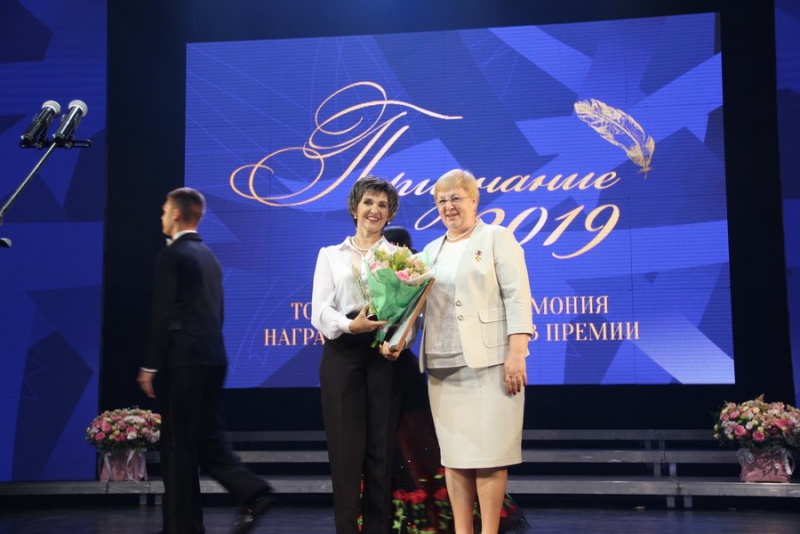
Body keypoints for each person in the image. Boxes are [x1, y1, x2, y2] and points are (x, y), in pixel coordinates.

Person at [386, 169, 532, 534]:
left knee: (490, 456)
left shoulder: (497, 238)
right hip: (443, 368)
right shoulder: (430, 252)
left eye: (456, 198)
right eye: (442, 201)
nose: (449, 206)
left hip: (490, 365)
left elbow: (518, 298)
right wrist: (398, 340)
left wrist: (517, 353)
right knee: (454, 459)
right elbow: (416, 309)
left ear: (474, 200)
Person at [137, 187, 273, 534]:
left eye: (164, 210)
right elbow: (218, 313)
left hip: (184, 360)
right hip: (212, 358)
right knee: (204, 438)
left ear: (177, 214)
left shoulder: (173, 255)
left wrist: (149, 364)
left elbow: (162, 312)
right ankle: (247, 493)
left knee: (179, 447)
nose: (161, 216)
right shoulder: (209, 256)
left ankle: (188, 524)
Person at [311, 176, 407, 534]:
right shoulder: (330, 255)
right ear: (355, 208)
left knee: (381, 455)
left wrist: (399, 341)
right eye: (368, 202)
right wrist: (351, 325)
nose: (374, 210)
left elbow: (409, 314)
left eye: (383, 205)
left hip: (382, 356)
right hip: (342, 354)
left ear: (390, 214)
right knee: (345, 456)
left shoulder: (400, 258)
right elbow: (319, 311)